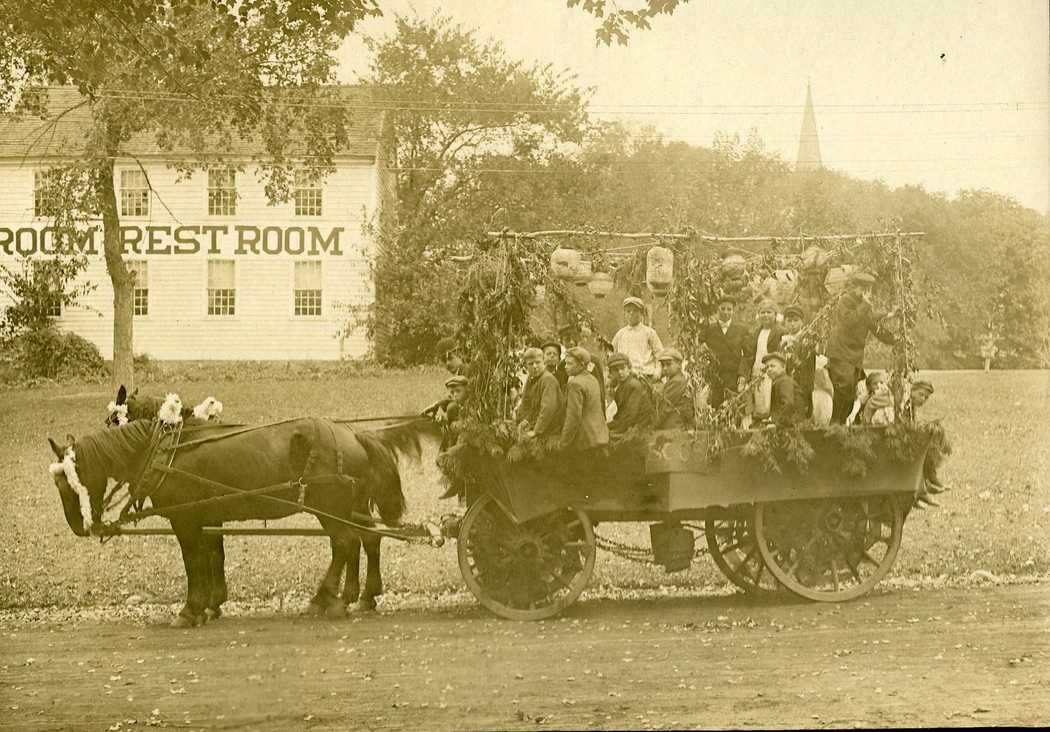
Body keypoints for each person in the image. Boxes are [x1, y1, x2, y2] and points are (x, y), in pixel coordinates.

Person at [826, 271, 897, 423]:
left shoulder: (864, 305)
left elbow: (873, 323)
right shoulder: (845, 301)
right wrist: (866, 305)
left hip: (854, 355)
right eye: (864, 289)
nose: (866, 293)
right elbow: (850, 321)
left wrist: (895, 339)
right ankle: (835, 422)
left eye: (869, 290)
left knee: (854, 389)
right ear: (855, 287)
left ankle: (849, 422)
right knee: (844, 387)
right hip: (841, 352)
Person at [699, 295, 751, 408]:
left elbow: (748, 355)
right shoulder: (709, 329)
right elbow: (701, 347)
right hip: (715, 375)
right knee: (715, 406)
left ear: (733, 311)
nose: (726, 312)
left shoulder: (741, 329)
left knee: (733, 407)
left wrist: (742, 375)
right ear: (717, 310)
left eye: (729, 309)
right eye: (722, 308)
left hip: (734, 375)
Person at [558, 347, 609, 456]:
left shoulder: (575, 384)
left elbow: (573, 418)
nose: (566, 367)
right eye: (566, 363)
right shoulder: (592, 379)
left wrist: (563, 443)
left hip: (584, 443)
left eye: (570, 364)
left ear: (581, 365)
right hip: (600, 438)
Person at [744, 300, 784, 420]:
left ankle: (771, 422)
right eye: (762, 312)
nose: (765, 315)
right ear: (759, 315)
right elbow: (749, 354)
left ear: (775, 314)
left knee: (771, 398)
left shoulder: (780, 332)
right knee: (758, 399)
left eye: (769, 312)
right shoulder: (755, 332)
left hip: (772, 370)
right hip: (757, 369)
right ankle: (759, 422)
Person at [516, 347, 564, 439]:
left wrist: (535, 431)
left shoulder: (547, 379)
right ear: (526, 366)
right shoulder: (532, 378)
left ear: (543, 362)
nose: (534, 366)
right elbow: (528, 404)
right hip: (540, 425)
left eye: (537, 362)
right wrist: (525, 420)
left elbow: (548, 409)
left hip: (552, 431)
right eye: (531, 364)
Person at [611, 296, 664, 380]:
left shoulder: (649, 333)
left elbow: (660, 355)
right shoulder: (620, 334)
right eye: (628, 311)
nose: (631, 313)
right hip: (625, 377)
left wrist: (657, 371)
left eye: (635, 311)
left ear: (641, 313)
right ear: (624, 314)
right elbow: (612, 354)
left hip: (645, 375)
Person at [780, 304, 815, 418]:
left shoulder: (807, 340)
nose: (792, 324)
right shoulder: (783, 340)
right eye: (789, 321)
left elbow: (808, 366)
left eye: (796, 320)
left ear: (802, 322)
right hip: (786, 382)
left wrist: (794, 357)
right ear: (784, 322)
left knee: (800, 412)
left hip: (802, 383)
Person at [606, 352, 654, 435]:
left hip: (640, 425)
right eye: (616, 370)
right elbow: (622, 414)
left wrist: (615, 430)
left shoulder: (633, 385)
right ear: (611, 372)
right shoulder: (622, 384)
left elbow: (630, 415)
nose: (620, 372)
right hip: (629, 422)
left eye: (622, 368)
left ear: (628, 368)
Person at [422, 337, 467, 421]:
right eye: (444, 360)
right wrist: (437, 405)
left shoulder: (468, 372)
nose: (447, 364)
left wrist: (444, 417)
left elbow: (460, 401)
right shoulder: (458, 374)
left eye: (450, 358)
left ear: (460, 354)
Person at [653, 348, 695, 430]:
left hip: (674, 427)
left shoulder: (677, 382)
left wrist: (652, 427)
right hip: (674, 424)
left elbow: (664, 408)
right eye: (663, 365)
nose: (665, 368)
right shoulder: (674, 379)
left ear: (679, 364)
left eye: (668, 364)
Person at [761, 352, 799, 428]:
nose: (769, 369)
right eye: (767, 367)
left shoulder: (784, 382)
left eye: (772, 366)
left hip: (793, 426)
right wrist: (772, 420)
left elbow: (788, 404)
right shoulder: (778, 382)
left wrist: (778, 424)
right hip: (789, 423)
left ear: (783, 367)